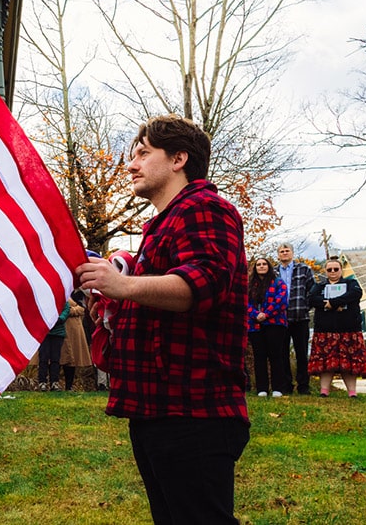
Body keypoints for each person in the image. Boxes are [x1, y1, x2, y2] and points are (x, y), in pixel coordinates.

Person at [76, 114, 249, 525]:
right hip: (158, 409)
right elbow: (160, 298)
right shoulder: (162, 224)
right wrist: (116, 305)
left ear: (178, 159)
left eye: (142, 153)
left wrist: (123, 287)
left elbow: (202, 284)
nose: (131, 165)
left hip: (195, 412)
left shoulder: (205, 207)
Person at [307, 257, 366, 397]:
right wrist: (326, 304)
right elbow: (312, 298)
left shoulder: (351, 283)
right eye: (329, 269)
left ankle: (352, 392)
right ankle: (324, 391)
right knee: (326, 364)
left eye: (336, 269)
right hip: (325, 331)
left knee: (349, 365)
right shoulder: (319, 286)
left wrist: (333, 303)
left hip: (348, 330)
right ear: (325, 271)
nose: (333, 272)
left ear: (341, 270)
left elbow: (355, 295)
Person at [275, 243, 316, 394]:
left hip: (300, 317)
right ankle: (286, 386)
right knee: (282, 354)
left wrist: (306, 307)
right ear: (278, 255)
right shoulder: (274, 272)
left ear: (292, 253)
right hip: (279, 319)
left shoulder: (304, 269)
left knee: (302, 354)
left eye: (287, 251)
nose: (284, 253)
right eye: (281, 251)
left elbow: (313, 290)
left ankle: (303, 386)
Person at [247, 257, 290, 397]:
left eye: (264, 264)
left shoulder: (278, 282)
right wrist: (255, 314)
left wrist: (266, 314)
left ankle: (278, 388)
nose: (261, 266)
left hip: (275, 323)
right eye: (258, 264)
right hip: (255, 325)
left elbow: (281, 300)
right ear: (255, 268)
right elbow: (245, 303)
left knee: (275, 355)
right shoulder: (249, 285)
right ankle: (262, 389)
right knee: (259, 356)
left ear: (269, 266)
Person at [60, 292, 93, 391]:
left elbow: (82, 308)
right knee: (57, 357)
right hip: (59, 328)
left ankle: (69, 386)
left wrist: (70, 311)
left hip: (73, 331)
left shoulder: (78, 294)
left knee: (72, 358)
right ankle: (54, 383)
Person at [37, 304, 67, 391]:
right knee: (43, 358)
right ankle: (42, 382)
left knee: (55, 359)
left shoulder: (63, 299)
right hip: (43, 333)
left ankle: (54, 382)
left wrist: (56, 320)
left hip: (58, 333)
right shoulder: (43, 299)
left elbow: (65, 312)